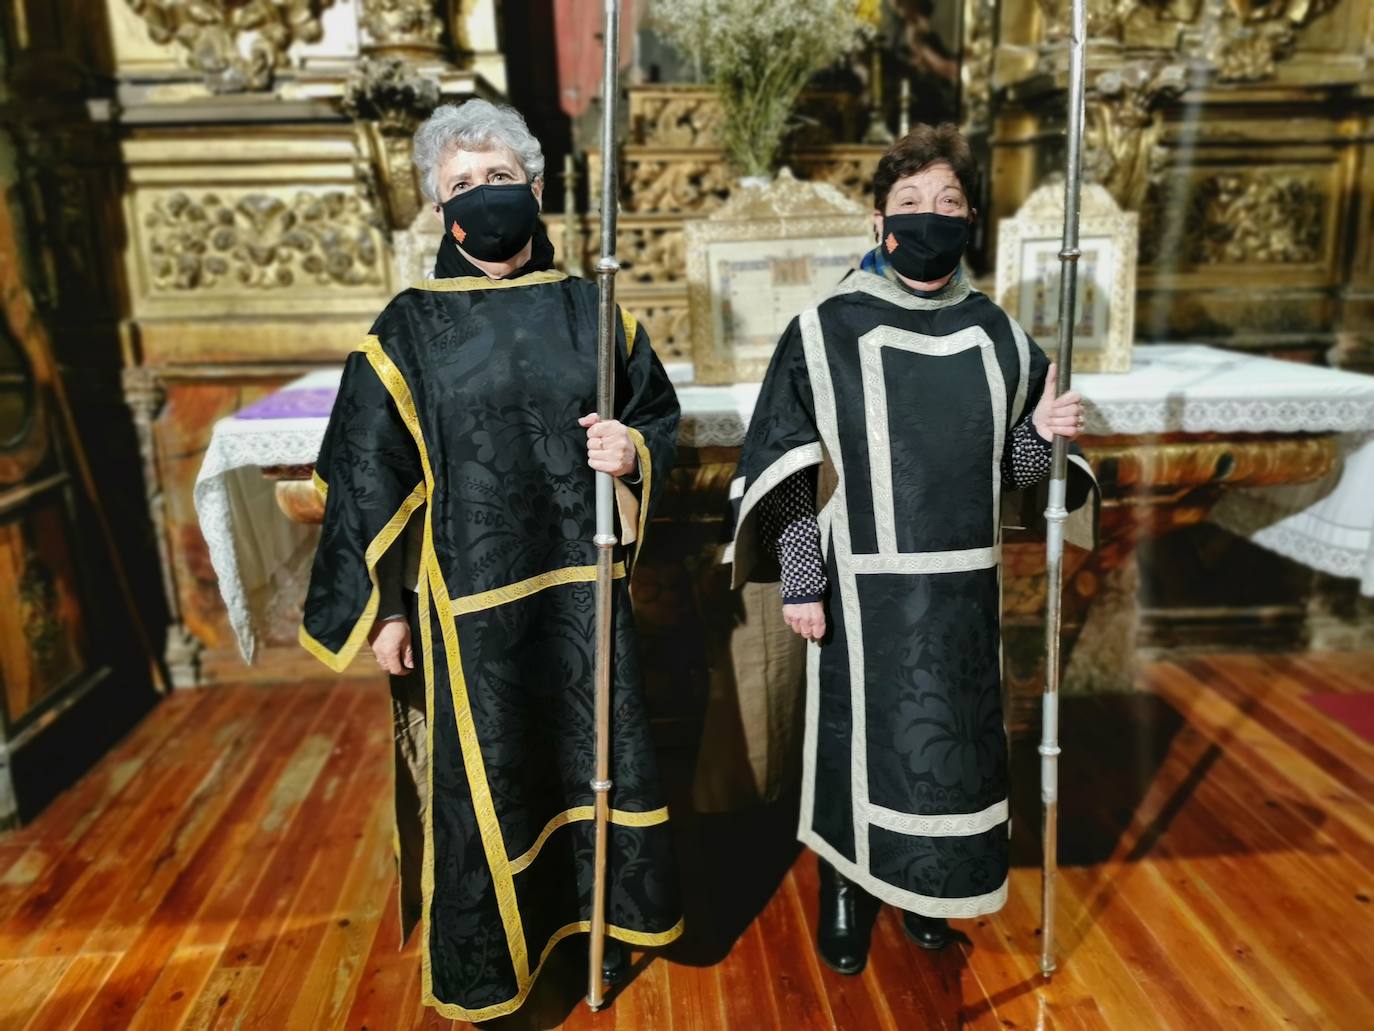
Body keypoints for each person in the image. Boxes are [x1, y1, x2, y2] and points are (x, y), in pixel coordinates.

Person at [298, 99, 683, 1021]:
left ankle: (596, 931)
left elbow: (655, 413)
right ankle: (496, 972)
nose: (484, 197)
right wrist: (387, 608)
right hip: (466, 607)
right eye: (462, 185)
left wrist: (631, 453)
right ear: (439, 208)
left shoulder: (592, 310)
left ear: (536, 189)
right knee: (493, 782)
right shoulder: (407, 330)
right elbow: (364, 472)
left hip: (579, 592)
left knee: (590, 767)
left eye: (499, 178)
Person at [726, 123, 1097, 975]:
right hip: (860, 588)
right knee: (861, 744)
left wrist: (1042, 431)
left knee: (954, 759)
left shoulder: (999, 334)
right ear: (878, 219)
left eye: (948, 202)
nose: (928, 217)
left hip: (964, 584)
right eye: (909, 202)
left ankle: (932, 889)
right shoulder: (825, 329)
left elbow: (1021, 468)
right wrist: (801, 578)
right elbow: (787, 462)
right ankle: (849, 889)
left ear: (970, 221)